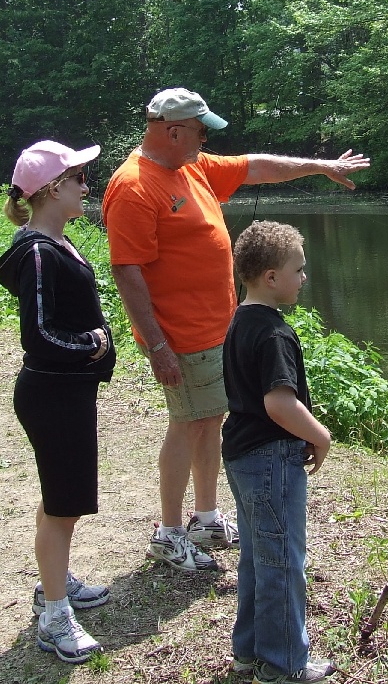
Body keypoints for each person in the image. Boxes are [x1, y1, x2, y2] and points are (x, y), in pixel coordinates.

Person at [102, 87, 369, 572]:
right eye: (201, 131)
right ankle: (167, 532)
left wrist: (319, 166)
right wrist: (159, 345)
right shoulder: (135, 186)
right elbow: (128, 270)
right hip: (179, 336)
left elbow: (257, 166)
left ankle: (204, 516)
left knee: (210, 420)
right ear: (174, 130)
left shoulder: (192, 167)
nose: (206, 139)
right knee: (188, 424)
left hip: (215, 331)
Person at [0, 141, 116, 663]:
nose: (85, 188)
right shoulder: (40, 253)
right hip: (52, 394)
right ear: (50, 189)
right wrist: (93, 343)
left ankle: (56, 580)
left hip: (66, 392)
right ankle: (53, 616)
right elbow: (40, 335)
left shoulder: (57, 243)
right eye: (77, 180)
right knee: (65, 502)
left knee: (61, 496)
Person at [223, 221, 333, 683]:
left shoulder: (240, 321)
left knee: (256, 556)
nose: (303, 278)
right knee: (282, 561)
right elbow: (278, 402)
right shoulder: (273, 334)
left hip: (242, 458)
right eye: (298, 270)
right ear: (271, 277)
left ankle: (248, 651)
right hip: (271, 461)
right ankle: (283, 662)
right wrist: (320, 435)